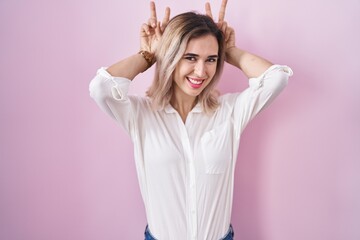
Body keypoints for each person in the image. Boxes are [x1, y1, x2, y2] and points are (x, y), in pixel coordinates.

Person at [89, 0, 293, 239]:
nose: (201, 72)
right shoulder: (141, 114)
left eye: (211, 59)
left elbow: (276, 78)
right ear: (172, 57)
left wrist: (230, 51)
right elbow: (101, 88)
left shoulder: (229, 111)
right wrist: (149, 55)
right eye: (191, 57)